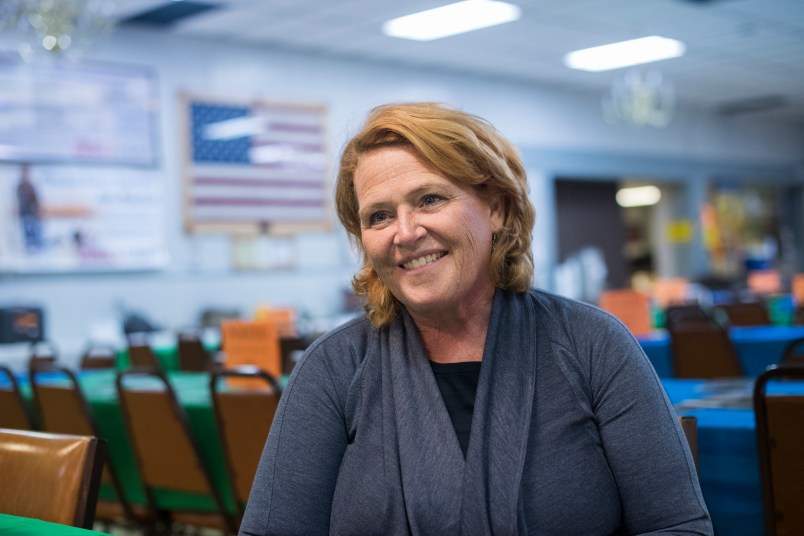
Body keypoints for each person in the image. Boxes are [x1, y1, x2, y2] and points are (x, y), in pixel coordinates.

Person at [240, 103, 712, 535]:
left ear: (496, 207)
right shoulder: (333, 368)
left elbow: (677, 526)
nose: (405, 233)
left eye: (429, 199)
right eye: (379, 216)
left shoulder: (593, 344)